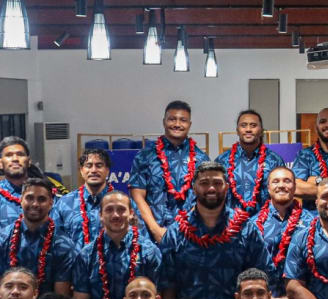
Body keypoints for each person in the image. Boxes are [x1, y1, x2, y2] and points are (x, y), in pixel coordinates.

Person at [158, 161, 275, 299]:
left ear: (227, 187)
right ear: (194, 188)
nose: (211, 188)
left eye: (217, 183)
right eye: (204, 183)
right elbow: (167, 287)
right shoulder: (176, 232)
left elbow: (263, 274)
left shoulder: (245, 228)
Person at [72, 191, 162, 299]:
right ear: (100, 215)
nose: (115, 215)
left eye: (121, 209)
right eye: (109, 210)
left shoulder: (148, 252)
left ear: (131, 213)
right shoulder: (86, 255)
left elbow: (160, 298)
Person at [129, 100, 210, 242]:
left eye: (183, 120)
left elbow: (204, 198)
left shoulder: (201, 159)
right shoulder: (145, 156)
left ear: (189, 124)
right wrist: (156, 230)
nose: (177, 124)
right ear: (164, 121)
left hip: (189, 235)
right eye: (172, 119)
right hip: (150, 234)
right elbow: (137, 195)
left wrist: (181, 229)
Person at [0, 176, 75, 295]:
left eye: (41, 199)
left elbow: (61, 298)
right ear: (21, 199)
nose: (35, 204)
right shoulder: (3, 239)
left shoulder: (63, 245)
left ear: (51, 203)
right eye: (29, 198)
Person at [253, 166, 311, 299]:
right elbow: (247, 267)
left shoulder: (313, 222)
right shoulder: (252, 224)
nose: (281, 185)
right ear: (268, 188)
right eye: (276, 181)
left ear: (295, 187)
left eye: (287, 181)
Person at [220, 109, 286, 215]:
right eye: (244, 125)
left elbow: (283, 194)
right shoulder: (222, 161)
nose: (248, 129)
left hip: (266, 225)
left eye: (253, 125)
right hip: (231, 224)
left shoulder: (274, 161)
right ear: (237, 130)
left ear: (261, 130)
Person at [52, 148, 114, 246]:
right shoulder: (64, 204)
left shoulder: (122, 204)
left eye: (99, 165)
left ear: (107, 170)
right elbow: (53, 240)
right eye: (88, 166)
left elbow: (137, 238)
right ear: (81, 171)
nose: (93, 170)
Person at [0, 137, 34, 229]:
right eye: (9, 155)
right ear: (1, 163)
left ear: (29, 161)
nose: (15, 159)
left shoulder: (44, 194)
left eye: (20, 154)